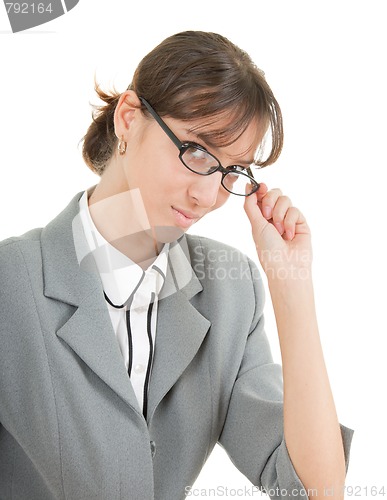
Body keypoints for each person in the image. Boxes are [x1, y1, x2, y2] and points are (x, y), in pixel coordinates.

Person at [0, 31, 353, 499]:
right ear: (129, 119)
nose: (208, 196)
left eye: (233, 171)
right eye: (197, 152)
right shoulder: (11, 282)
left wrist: (293, 289)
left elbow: (317, 491)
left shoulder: (231, 291)